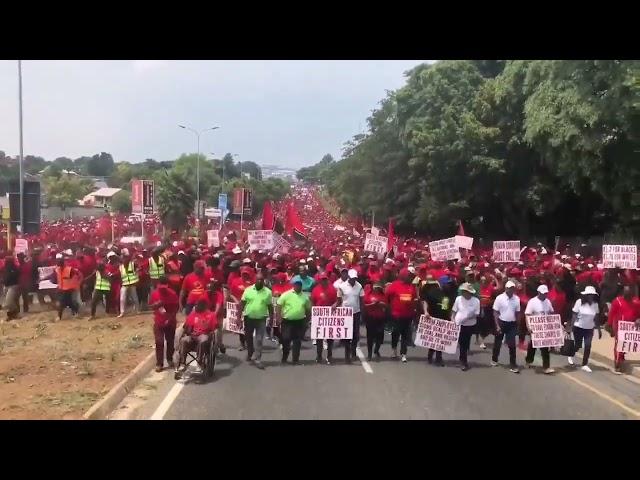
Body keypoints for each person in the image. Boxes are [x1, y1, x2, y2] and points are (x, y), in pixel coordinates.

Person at [240, 273, 273, 370]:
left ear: (264, 281)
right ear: (255, 280)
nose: (260, 281)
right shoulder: (248, 290)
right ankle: (250, 351)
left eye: (262, 280)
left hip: (261, 319)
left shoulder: (267, 292)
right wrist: (238, 318)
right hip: (248, 318)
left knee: (259, 339)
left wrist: (271, 318)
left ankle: (258, 359)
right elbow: (242, 304)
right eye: (258, 279)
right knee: (248, 337)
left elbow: (270, 307)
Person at [176, 298, 218, 374]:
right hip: (193, 336)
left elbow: (214, 328)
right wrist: (183, 334)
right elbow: (186, 326)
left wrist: (213, 336)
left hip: (204, 335)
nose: (195, 307)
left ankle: (199, 362)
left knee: (203, 340)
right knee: (183, 340)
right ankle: (182, 363)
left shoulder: (211, 315)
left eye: (197, 305)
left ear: (204, 306)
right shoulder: (193, 314)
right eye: (195, 305)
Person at [385, 268, 418, 363]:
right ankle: (394, 350)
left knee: (405, 335)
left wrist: (414, 308)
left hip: (408, 315)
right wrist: (389, 309)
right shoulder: (395, 285)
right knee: (395, 333)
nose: (410, 277)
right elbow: (387, 296)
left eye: (411, 276)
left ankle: (403, 354)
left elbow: (414, 298)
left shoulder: (412, 287)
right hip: (396, 315)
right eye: (409, 275)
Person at [148, 276, 179, 372]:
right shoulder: (154, 294)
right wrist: (156, 305)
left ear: (167, 286)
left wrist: (170, 318)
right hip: (159, 322)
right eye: (161, 288)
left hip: (170, 322)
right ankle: (159, 363)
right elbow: (150, 306)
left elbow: (176, 308)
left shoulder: (172, 294)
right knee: (159, 342)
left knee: (170, 342)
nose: (162, 290)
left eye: (164, 288)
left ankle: (169, 359)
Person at [277, 279, 311, 365]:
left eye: (299, 285)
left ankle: (295, 360)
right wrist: (279, 317)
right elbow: (279, 305)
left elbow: (308, 309)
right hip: (287, 321)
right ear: (294, 285)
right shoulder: (286, 294)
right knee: (286, 339)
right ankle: (284, 358)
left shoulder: (305, 296)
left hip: (299, 321)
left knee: (297, 341)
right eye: (296, 284)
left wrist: (307, 320)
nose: (298, 286)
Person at [607, 285, 640, 374]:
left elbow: (638, 313)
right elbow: (611, 314)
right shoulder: (617, 301)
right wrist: (609, 326)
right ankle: (617, 364)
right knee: (619, 344)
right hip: (618, 327)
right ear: (623, 293)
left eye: (629, 293)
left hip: (630, 328)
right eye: (625, 293)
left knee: (625, 344)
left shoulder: (636, 302)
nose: (627, 295)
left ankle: (621, 357)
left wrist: (638, 319)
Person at [567, 285, 600, 372]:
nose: (591, 296)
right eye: (589, 294)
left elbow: (596, 317)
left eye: (592, 295)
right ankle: (571, 355)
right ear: (586, 295)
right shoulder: (579, 302)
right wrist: (571, 327)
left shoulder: (595, 304)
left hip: (589, 328)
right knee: (578, 345)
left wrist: (599, 329)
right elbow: (574, 314)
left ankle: (584, 364)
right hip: (579, 327)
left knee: (588, 345)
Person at [524, 284, 555, 374]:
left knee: (545, 348)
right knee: (532, 346)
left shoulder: (548, 302)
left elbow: (551, 313)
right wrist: (528, 326)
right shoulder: (532, 302)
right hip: (535, 328)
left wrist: (553, 325)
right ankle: (529, 360)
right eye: (543, 293)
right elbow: (528, 314)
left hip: (544, 329)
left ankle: (546, 366)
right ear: (538, 293)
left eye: (546, 293)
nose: (544, 295)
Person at [335, 268, 365, 363]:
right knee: (347, 335)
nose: (353, 280)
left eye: (355, 278)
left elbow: (361, 301)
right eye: (352, 278)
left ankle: (353, 353)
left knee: (355, 335)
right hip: (345, 314)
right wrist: (335, 305)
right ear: (348, 277)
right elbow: (339, 300)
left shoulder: (359, 286)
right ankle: (347, 356)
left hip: (356, 313)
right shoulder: (342, 286)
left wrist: (362, 314)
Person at [491, 280, 521, 373]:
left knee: (512, 345)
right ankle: (494, 359)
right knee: (498, 343)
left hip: (512, 324)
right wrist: (497, 325)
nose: (511, 290)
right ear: (506, 289)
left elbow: (517, 313)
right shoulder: (500, 298)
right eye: (509, 288)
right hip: (501, 322)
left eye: (513, 288)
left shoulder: (517, 299)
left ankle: (513, 364)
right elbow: (495, 312)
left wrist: (517, 325)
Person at [420, 275, 448, 366]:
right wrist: (426, 311)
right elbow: (426, 302)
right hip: (433, 317)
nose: (448, 285)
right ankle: (430, 356)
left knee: (440, 338)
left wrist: (451, 317)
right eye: (446, 284)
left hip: (443, 318)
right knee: (433, 338)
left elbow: (450, 306)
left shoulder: (448, 293)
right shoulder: (432, 292)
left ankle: (439, 358)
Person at [310, 273, 338, 364]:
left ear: (327, 279)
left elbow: (338, 300)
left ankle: (329, 355)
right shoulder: (315, 290)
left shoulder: (333, 289)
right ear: (319, 280)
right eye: (322, 279)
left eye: (325, 279)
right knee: (319, 338)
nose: (324, 281)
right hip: (319, 316)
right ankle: (319, 356)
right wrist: (313, 312)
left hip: (329, 316)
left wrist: (335, 304)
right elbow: (312, 302)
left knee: (330, 337)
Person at [452, 282, 480, 371]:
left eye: (466, 291)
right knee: (462, 342)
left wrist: (467, 317)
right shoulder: (458, 299)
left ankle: (463, 358)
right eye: (463, 291)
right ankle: (463, 361)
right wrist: (452, 319)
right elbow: (454, 311)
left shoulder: (476, 301)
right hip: (459, 324)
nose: (464, 293)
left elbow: (477, 313)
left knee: (466, 342)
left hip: (470, 324)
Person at [51, 253, 82, 322]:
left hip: (69, 289)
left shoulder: (70, 270)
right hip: (61, 289)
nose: (59, 266)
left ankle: (61, 316)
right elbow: (54, 277)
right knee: (66, 303)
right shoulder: (57, 269)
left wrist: (78, 283)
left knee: (64, 303)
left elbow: (79, 275)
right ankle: (74, 312)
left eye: (60, 264)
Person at [363, 282, 387, 361]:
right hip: (370, 318)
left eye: (378, 288)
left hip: (380, 318)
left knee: (380, 337)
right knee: (370, 337)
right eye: (375, 288)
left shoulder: (383, 296)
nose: (376, 289)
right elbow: (364, 306)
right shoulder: (368, 295)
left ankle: (376, 350)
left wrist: (381, 304)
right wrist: (372, 304)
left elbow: (387, 306)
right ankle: (369, 354)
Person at [118, 253, 140, 318]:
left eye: (125, 258)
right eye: (123, 258)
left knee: (135, 298)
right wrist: (120, 283)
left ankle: (137, 310)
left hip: (132, 283)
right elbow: (120, 276)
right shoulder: (120, 267)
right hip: (124, 284)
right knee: (122, 299)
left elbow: (137, 272)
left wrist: (137, 280)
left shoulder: (133, 265)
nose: (124, 260)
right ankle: (122, 312)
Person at [2, 256, 20, 321]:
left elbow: (17, 277)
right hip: (6, 286)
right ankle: (12, 315)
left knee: (8, 302)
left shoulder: (15, 268)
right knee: (11, 301)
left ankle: (15, 311)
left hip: (13, 286)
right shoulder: (4, 268)